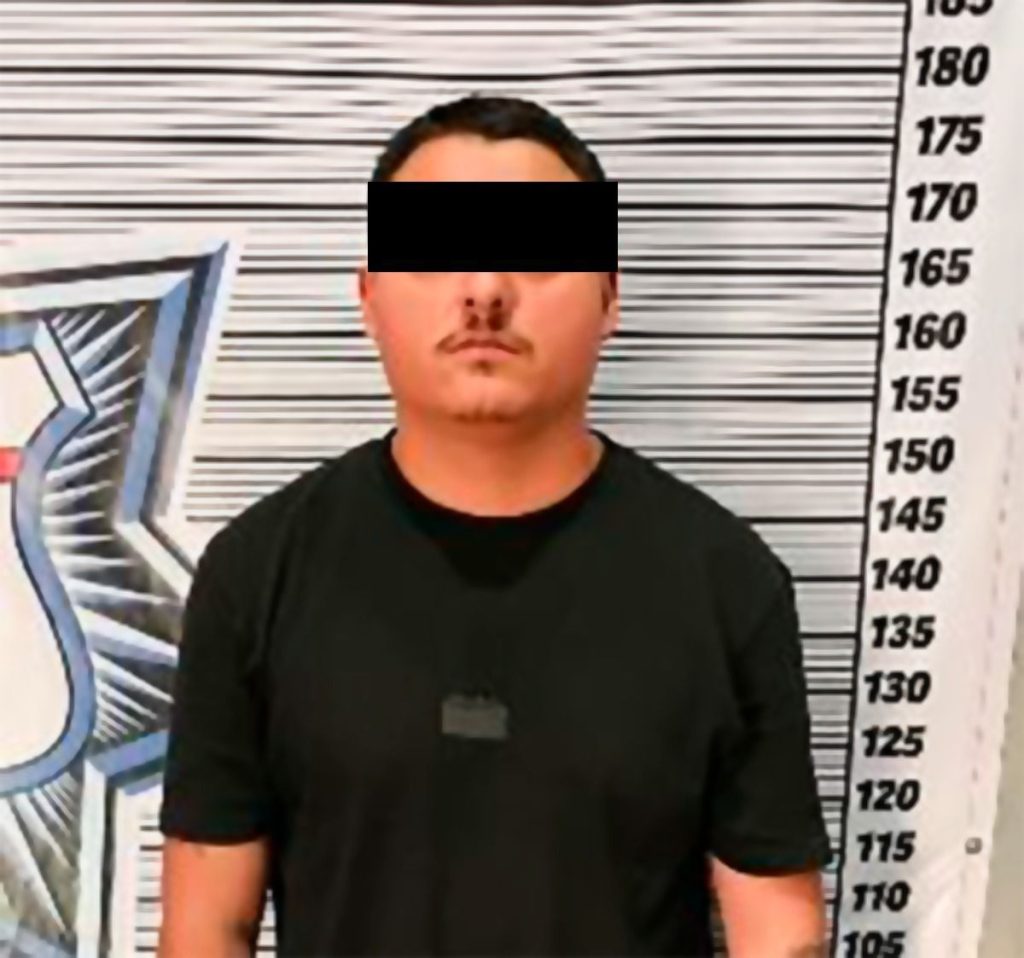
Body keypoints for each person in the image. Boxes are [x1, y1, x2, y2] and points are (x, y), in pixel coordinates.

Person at [157, 94, 833, 958]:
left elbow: (779, 931)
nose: (483, 291)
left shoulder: (726, 582)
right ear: (369, 296)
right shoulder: (256, 574)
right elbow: (207, 927)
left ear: (608, 295)